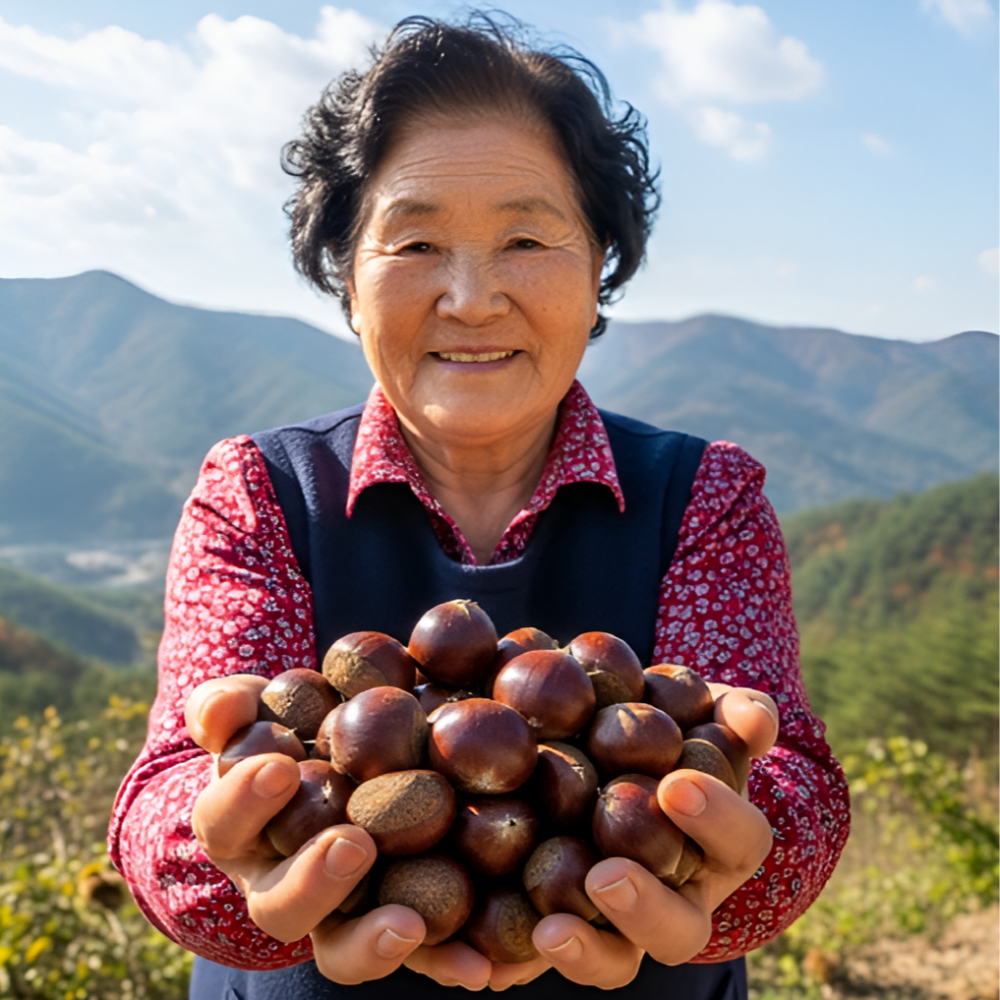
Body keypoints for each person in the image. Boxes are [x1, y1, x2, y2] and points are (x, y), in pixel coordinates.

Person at [109, 13, 849, 999]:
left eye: (526, 239)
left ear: (600, 267)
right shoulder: (258, 491)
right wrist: (229, 853)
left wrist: (738, 860)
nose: (470, 297)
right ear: (348, 277)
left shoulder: (706, 496)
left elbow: (788, 776)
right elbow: (166, 796)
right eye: (415, 241)